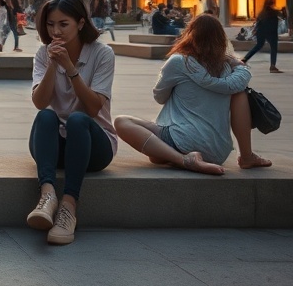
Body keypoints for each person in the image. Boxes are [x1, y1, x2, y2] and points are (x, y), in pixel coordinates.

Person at [114, 14, 271, 175]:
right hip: (218, 152)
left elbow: (159, 97)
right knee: (240, 93)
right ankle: (246, 156)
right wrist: (239, 65)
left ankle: (184, 160)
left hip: (181, 140)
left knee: (122, 121)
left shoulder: (179, 61)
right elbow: (239, 78)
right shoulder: (229, 68)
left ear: (190, 35)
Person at [26, 0, 116, 246]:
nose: (56, 31)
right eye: (50, 24)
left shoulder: (102, 54)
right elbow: (40, 102)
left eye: (63, 24)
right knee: (45, 116)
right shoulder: (44, 54)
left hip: (94, 143)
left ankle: (68, 208)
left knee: (77, 119)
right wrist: (54, 65)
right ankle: (47, 196)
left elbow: (93, 108)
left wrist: (71, 68)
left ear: (80, 23)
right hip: (55, 145)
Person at [241, 0, 283, 73]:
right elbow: (281, 16)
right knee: (273, 48)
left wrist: (255, 31)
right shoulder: (274, 12)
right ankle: (272, 66)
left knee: (258, 46)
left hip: (261, 32)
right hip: (271, 33)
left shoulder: (261, 13)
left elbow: (258, 23)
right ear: (272, 4)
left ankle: (244, 59)